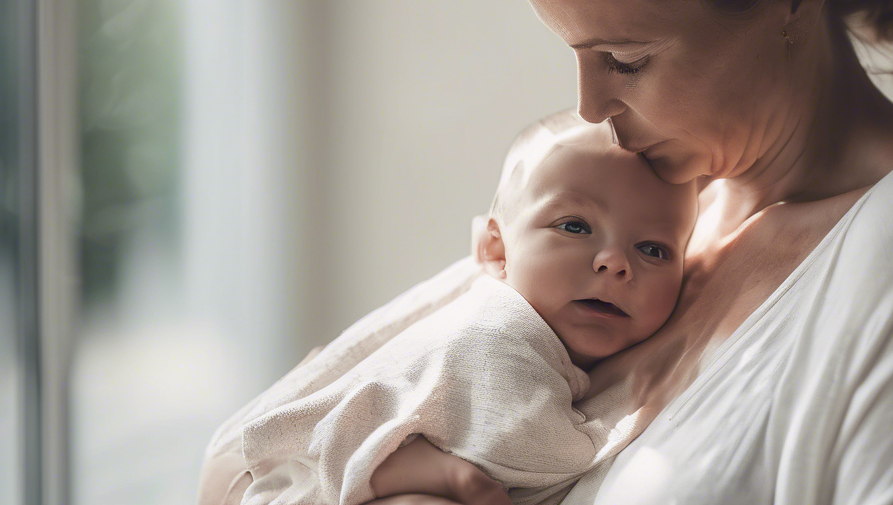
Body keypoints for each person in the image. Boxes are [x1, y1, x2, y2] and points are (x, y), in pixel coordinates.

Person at [202, 0, 893, 503]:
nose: (591, 106)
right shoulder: (647, 200)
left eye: (627, 59)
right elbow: (241, 461)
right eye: (576, 55)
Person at [197, 113, 698, 505]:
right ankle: (393, 459)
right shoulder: (495, 332)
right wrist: (630, 413)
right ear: (496, 251)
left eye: (653, 250)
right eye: (574, 226)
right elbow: (534, 444)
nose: (614, 263)